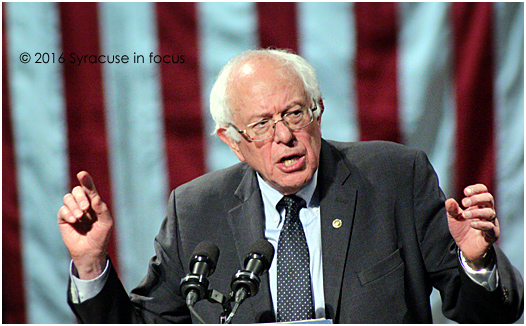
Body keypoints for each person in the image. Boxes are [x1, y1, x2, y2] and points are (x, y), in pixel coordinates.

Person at [58, 49, 523, 323]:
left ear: (317, 111)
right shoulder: (196, 208)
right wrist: (91, 262)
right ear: (233, 142)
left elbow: (492, 315)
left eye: (294, 114)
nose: (284, 136)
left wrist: (476, 261)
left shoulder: (393, 177)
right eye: (261, 125)